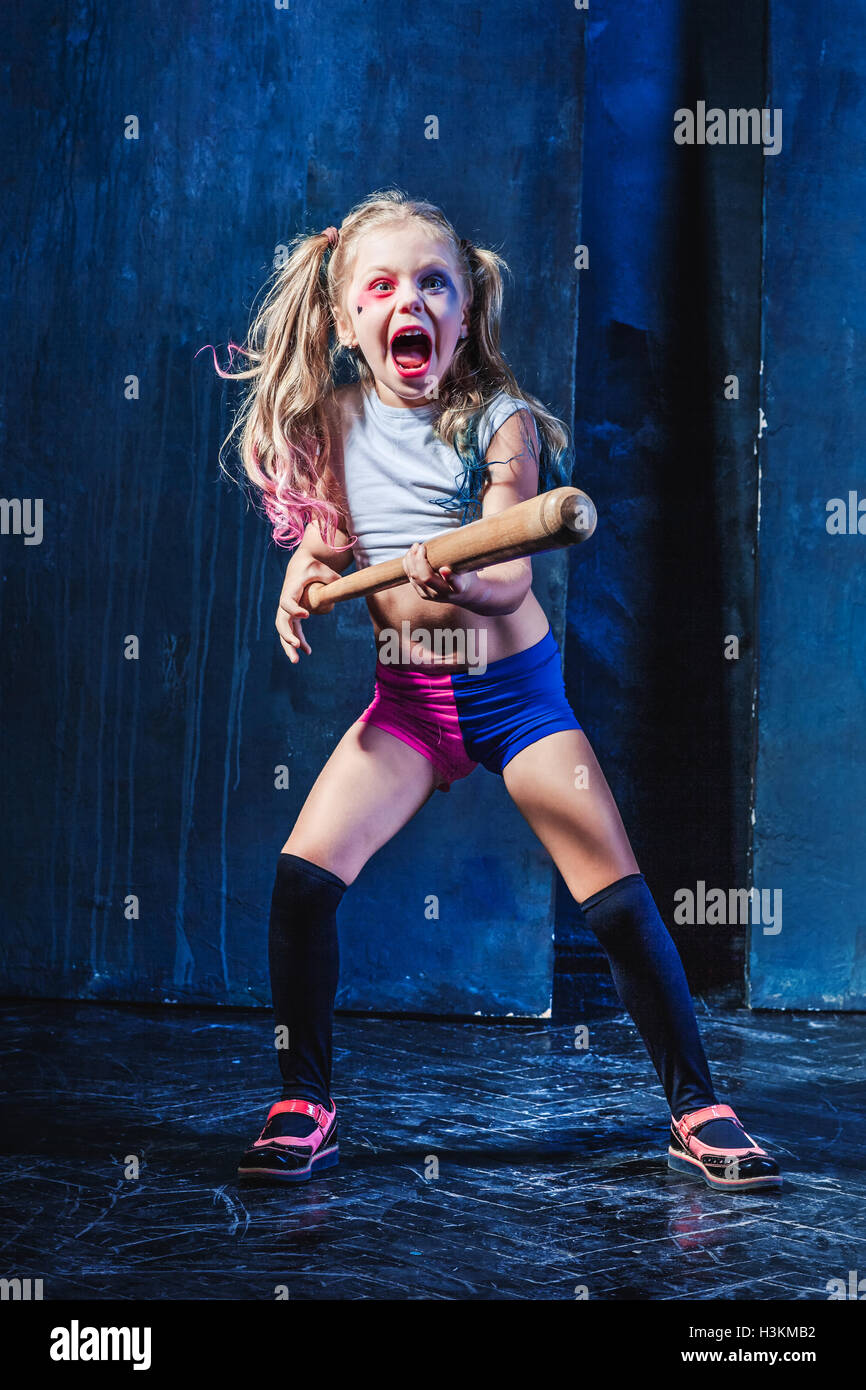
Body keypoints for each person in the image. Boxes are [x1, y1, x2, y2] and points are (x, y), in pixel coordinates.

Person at [208, 188, 781, 1191]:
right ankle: (303, 1098)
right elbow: (332, 533)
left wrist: (461, 573)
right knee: (303, 882)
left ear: (464, 311)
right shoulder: (339, 420)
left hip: (514, 696)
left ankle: (695, 1103)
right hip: (407, 706)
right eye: (381, 286)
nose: (409, 301)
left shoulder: (498, 420)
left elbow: (513, 562)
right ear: (347, 320)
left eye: (434, 283)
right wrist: (306, 566)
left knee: (612, 897)